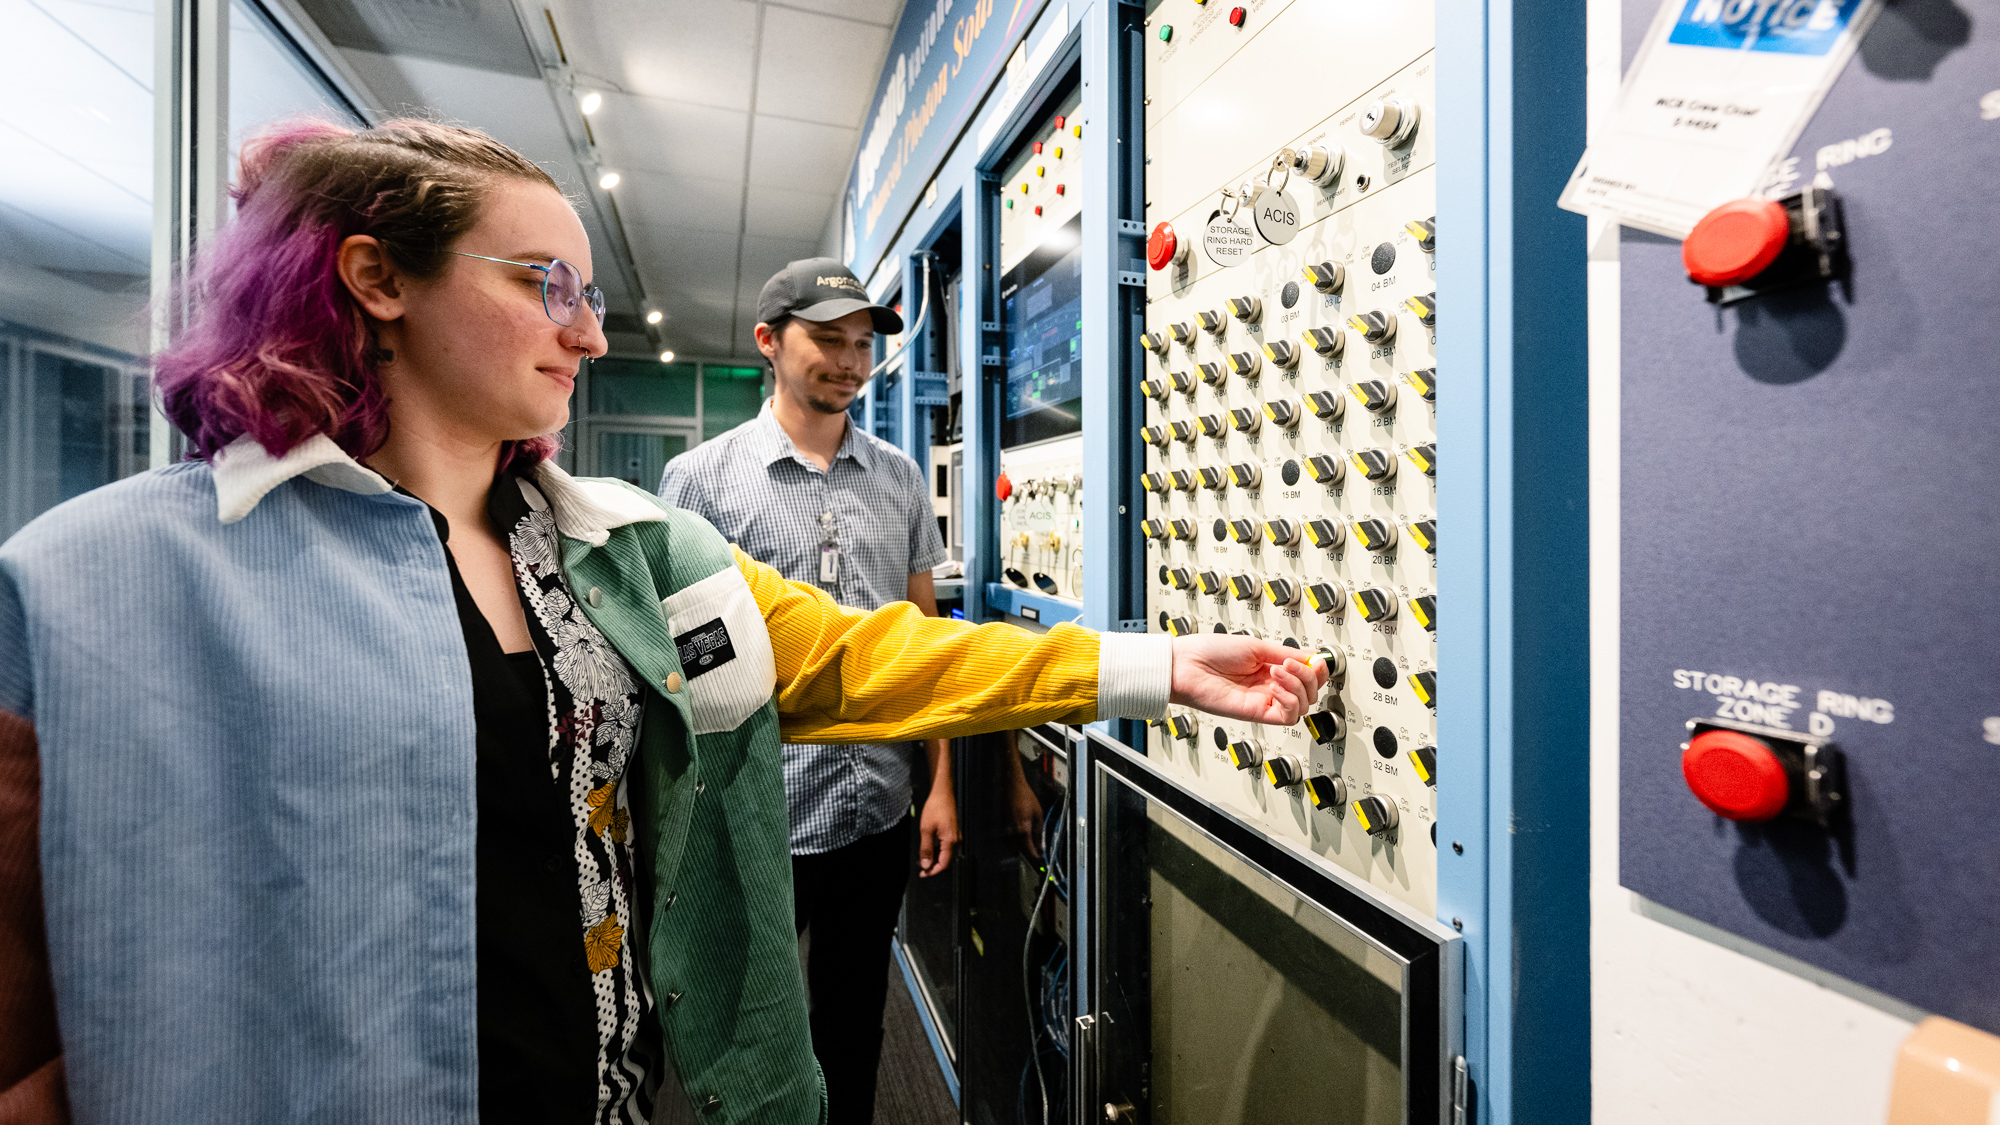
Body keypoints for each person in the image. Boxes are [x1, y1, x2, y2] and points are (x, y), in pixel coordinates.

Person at [0, 118, 1330, 1125]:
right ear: (375, 279)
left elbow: (873, 651)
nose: (585, 335)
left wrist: (1154, 665)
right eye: (544, 286)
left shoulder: (626, 556)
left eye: (588, 292)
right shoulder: (105, 582)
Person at [658, 259, 1043, 1125]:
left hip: (875, 809)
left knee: (854, 1023)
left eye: (863, 343)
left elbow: (923, 640)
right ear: (769, 341)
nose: (849, 359)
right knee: (742, 1027)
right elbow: (678, 659)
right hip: (755, 809)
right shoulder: (701, 482)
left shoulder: (900, 478)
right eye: (828, 338)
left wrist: (939, 785)